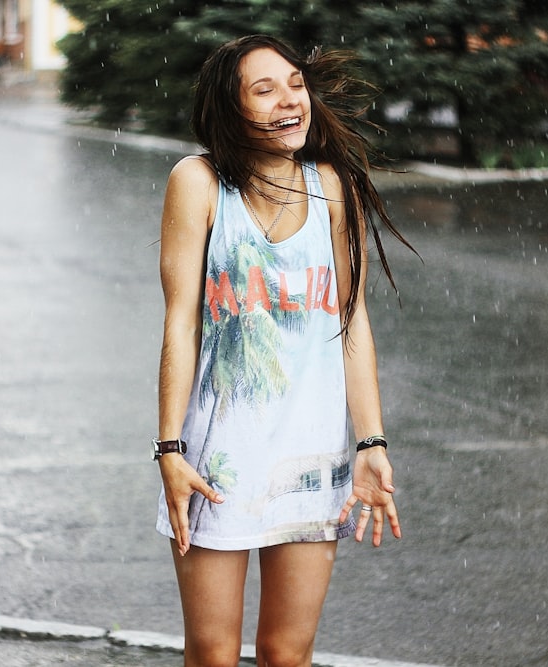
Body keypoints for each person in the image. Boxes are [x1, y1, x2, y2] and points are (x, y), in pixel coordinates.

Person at [154, 34, 412, 667]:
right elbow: (181, 324)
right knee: (213, 653)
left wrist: (371, 442)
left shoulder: (330, 185)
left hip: (310, 457)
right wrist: (168, 448)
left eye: (295, 84)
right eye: (263, 90)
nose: (288, 100)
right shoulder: (200, 183)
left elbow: (351, 320)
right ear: (231, 109)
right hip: (219, 462)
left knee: (286, 652)